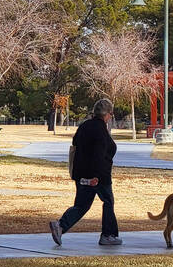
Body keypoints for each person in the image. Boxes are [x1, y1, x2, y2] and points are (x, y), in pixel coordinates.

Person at [50, 99, 122, 247]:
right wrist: (96, 175)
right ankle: (108, 234)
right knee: (108, 201)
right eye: (110, 114)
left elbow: (75, 143)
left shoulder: (85, 126)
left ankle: (61, 225)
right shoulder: (100, 130)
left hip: (81, 172)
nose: (110, 117)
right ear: (107, 114)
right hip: (98, 175)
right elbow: (99, 154)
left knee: (82, 205)